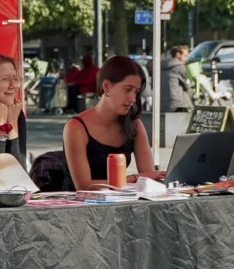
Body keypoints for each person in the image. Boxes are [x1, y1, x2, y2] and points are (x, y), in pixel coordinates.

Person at [62, 55, 164, 190]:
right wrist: (135, 178)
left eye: (136, 92)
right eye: (127, 89)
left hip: (118, 202)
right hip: (79, 206)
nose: (133, 98)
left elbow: (149, 179)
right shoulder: (76, 127)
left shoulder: (134, 126)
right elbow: (84, 186)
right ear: (107, 86)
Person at [160, 44, 192, 111]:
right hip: (177, 103)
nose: (187, 58)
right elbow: (186, 86)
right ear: (178, 55)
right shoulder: (180, 66)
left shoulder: (161, 66)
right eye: (185, 56)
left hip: (162, 102)